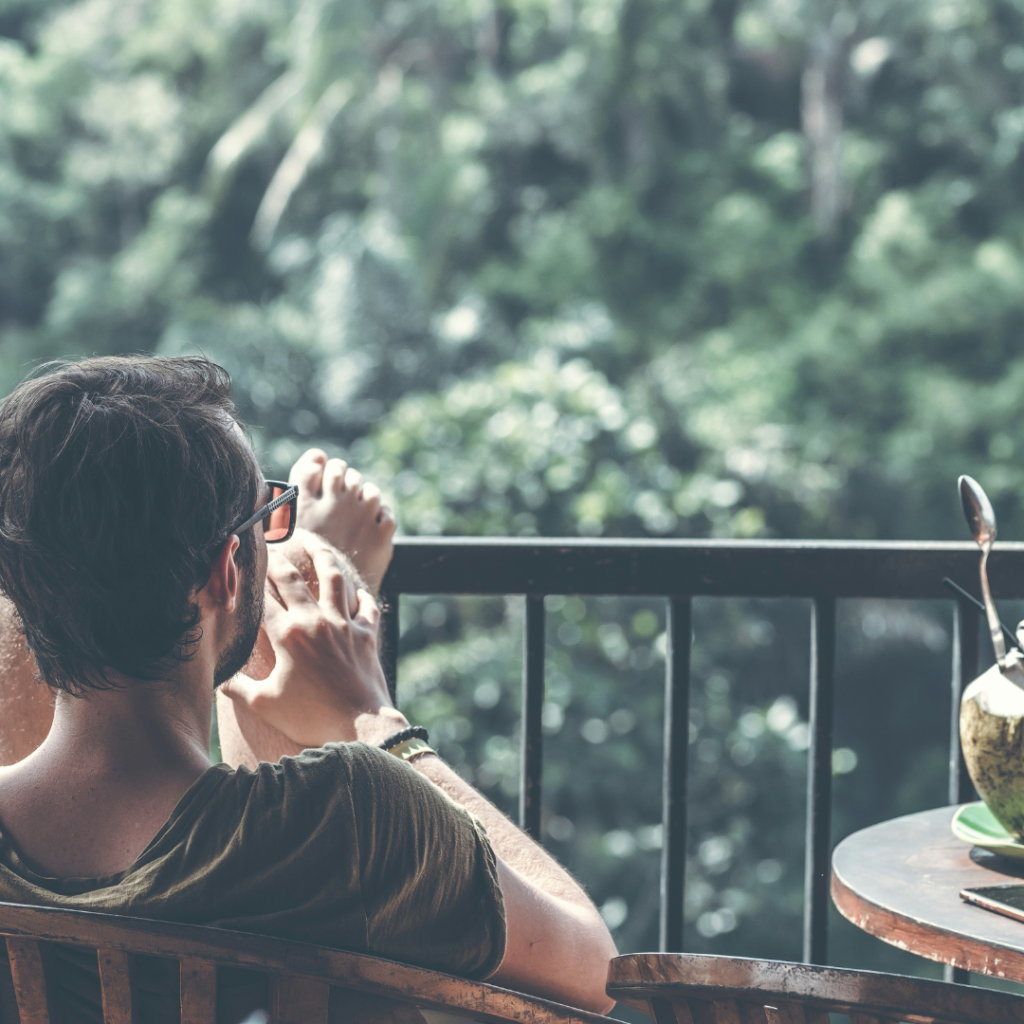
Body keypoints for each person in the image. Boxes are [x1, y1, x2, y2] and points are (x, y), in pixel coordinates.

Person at [0, 356, 616, 1023]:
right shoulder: (353, 818)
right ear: (226, 572)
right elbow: (596, 972)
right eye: (265, 519)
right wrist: (375, 721)